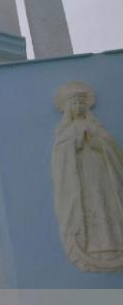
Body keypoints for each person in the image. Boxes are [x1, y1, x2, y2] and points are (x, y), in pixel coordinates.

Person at [52, 81, 123, 272]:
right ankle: (96, 246)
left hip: (102, 175)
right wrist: (76, 144)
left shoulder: (96, 127)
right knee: (91, 206)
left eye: (81, 103)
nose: (78, 107)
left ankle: (116, 243)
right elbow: (61, 156)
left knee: (107, 205)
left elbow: (113, 150)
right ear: (68, 108)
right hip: (82, 178)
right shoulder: (65, 131)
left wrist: (98, 143)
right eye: (74, 103)